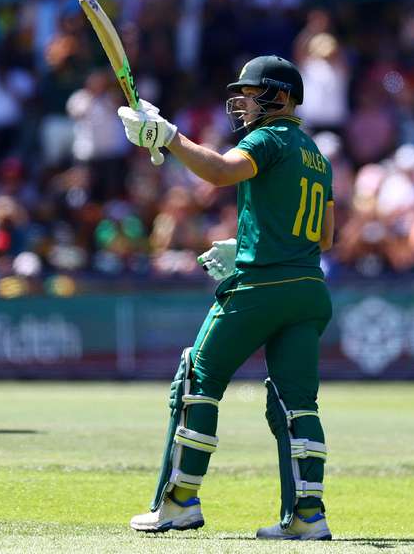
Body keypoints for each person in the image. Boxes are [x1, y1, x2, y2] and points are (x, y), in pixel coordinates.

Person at [117, 56, 335, 540]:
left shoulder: (267, 138)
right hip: (309, 290)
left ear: (278, 97)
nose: (241, 102)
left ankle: (178, 503)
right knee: (296, 404)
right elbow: (324, 236)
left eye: (251, 93)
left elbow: (218, 171)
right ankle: (308, 517)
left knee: (198, 376)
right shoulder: (317, 155)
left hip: (262, 290)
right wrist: (253, 243)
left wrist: (169, 137)